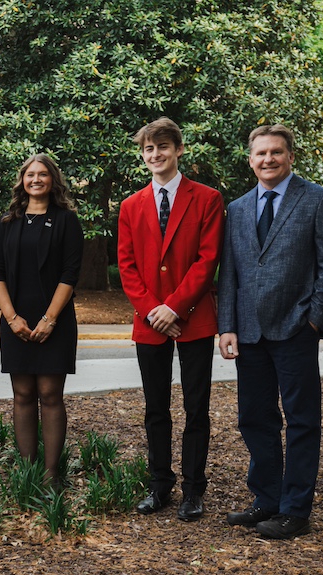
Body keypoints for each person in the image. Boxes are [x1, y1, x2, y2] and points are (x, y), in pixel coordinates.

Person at [218, 124, 323, 539]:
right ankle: (266, 500)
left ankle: (295, 510)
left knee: (302, 420)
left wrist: (315, 320)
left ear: (290, 156)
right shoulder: (237, 209)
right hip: (250, 333)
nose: (268, 160)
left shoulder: (318, 200)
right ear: (250, 159)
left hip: (296, 329)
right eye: (261, 154)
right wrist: (227, 326)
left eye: (276, 152)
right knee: (254, 419)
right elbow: (231, 274)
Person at [117, 117, 225, 521]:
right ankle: (159, 484)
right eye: (148, 149)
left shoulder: (207, 198)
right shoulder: (131, 205)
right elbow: (127, 267)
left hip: (193, 318)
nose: (155, 154)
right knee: (155, 408)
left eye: (163, 146)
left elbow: (208, 259)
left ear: (178, 150)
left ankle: (194, 490)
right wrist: (152, 311)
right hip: (150, 323)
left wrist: (174, 308)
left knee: (196, 408)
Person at [0, 154, 83, 487]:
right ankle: (27, 472)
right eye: (31, 174)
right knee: (22, 393)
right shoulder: (7, 221)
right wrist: (11, 318)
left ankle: (51, 474)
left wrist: (50, 319)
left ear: (52, 180)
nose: (36, 179)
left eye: (43, 174)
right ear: (22, 180)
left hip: (54, 319)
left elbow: (70, 273)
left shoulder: (67, 220)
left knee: (50, 394)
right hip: (16, 319)